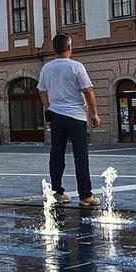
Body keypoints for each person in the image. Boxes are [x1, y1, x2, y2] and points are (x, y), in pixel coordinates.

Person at [37, 33, 101, 207]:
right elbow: (88, 91)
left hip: (56, 116)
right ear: (69, 48)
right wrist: (94, 113)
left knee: (56, 153)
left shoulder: (46, 68)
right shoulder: (76, 66)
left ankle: (57, 192)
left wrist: (48, 106)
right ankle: (85, 195)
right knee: (81, 156)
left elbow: (42, 91)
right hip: (76, 117)